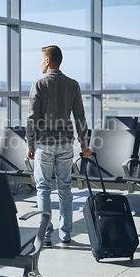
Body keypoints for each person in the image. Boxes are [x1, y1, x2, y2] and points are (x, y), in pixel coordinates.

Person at [26, 45, 92, 248]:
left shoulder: (39, 84)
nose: (39, 63)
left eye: (40, 59)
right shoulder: (73, 85)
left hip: (44, 144)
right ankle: (65, 234)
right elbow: (80, 116)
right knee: (65, 189)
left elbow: (32, 118)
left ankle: (45, 235)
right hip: (65, 144)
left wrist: (29, 143)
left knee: (43, 189)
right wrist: (84, 144)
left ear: (47, 61)